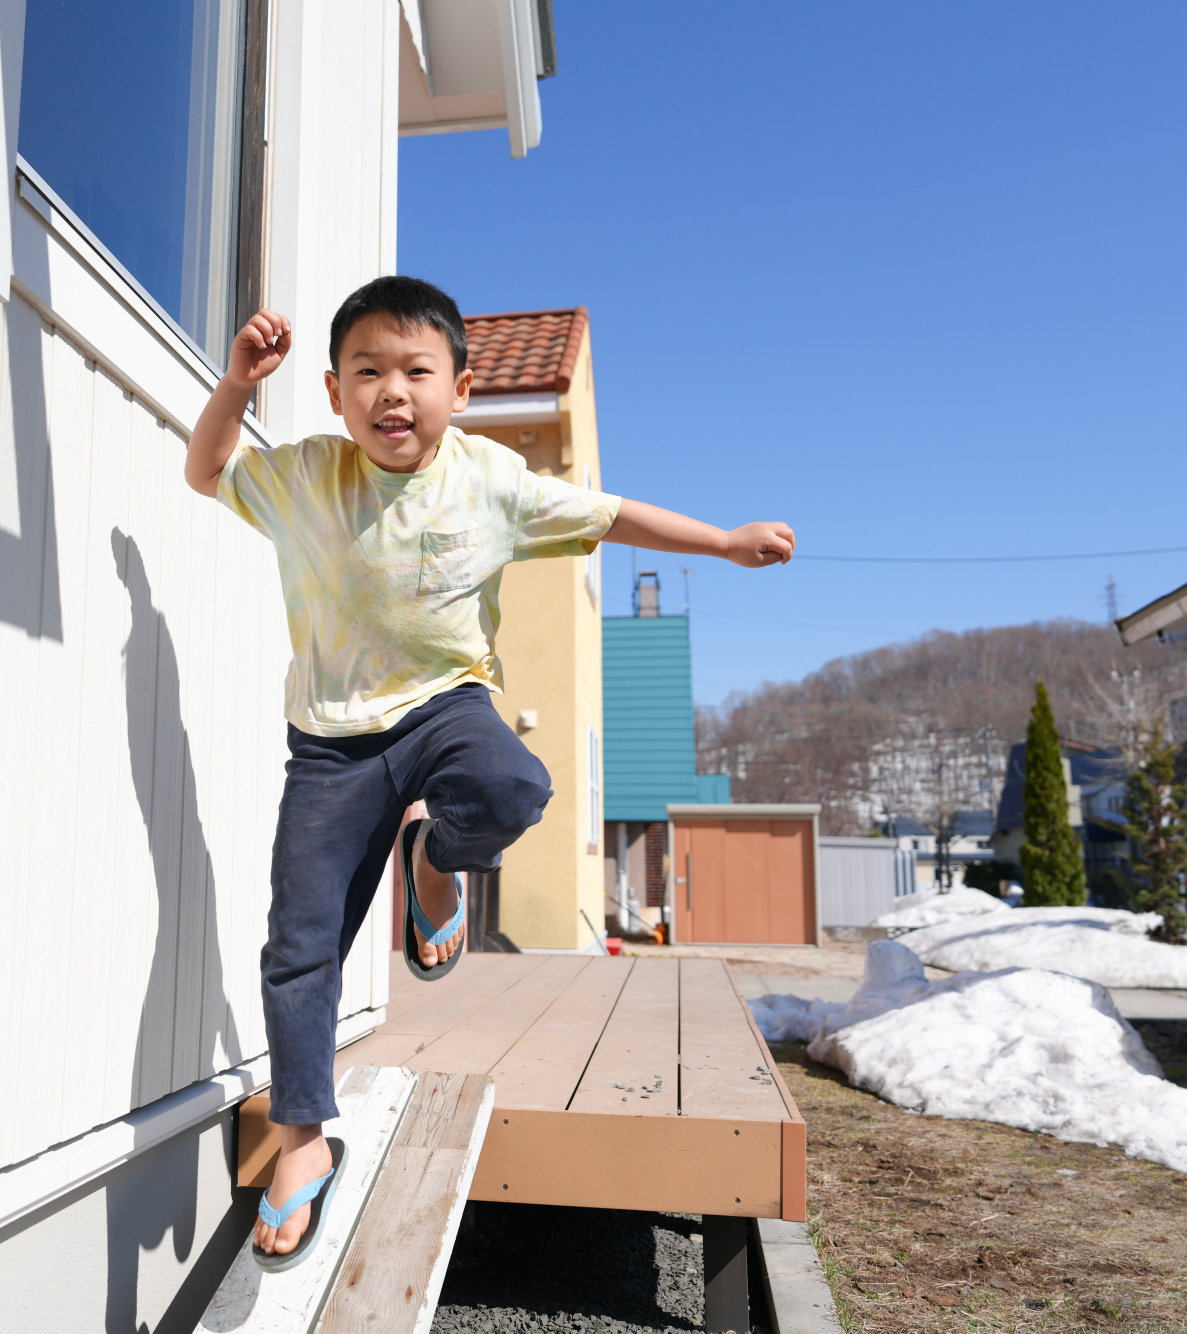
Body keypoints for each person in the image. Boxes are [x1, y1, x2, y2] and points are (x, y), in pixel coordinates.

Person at [184, 276, 795, 1266]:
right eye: (367, 373)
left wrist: (721, 542)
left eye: (414, 371)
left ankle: (433, 862)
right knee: (298, 940)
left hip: (443, 704)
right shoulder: (304, 476)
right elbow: (204, 470)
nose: (392, 391)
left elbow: (610, 515)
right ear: (336, 393)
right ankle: (303, 1141)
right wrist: (234, 385)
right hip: (331, 742)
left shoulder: (491, 478)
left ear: (459, 389)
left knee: (513, 784)